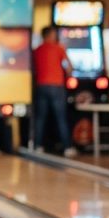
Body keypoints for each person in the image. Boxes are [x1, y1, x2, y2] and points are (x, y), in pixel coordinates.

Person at [32, 26, 76, 157]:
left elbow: (33, 69)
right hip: (56, 86)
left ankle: (38, 146)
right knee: (60, 117)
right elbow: (68, 68)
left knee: (40, 118)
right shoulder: (59, 48)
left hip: (41, 86)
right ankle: (67, 147)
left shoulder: (37, 50)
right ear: (50, 35)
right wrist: (67, 76)